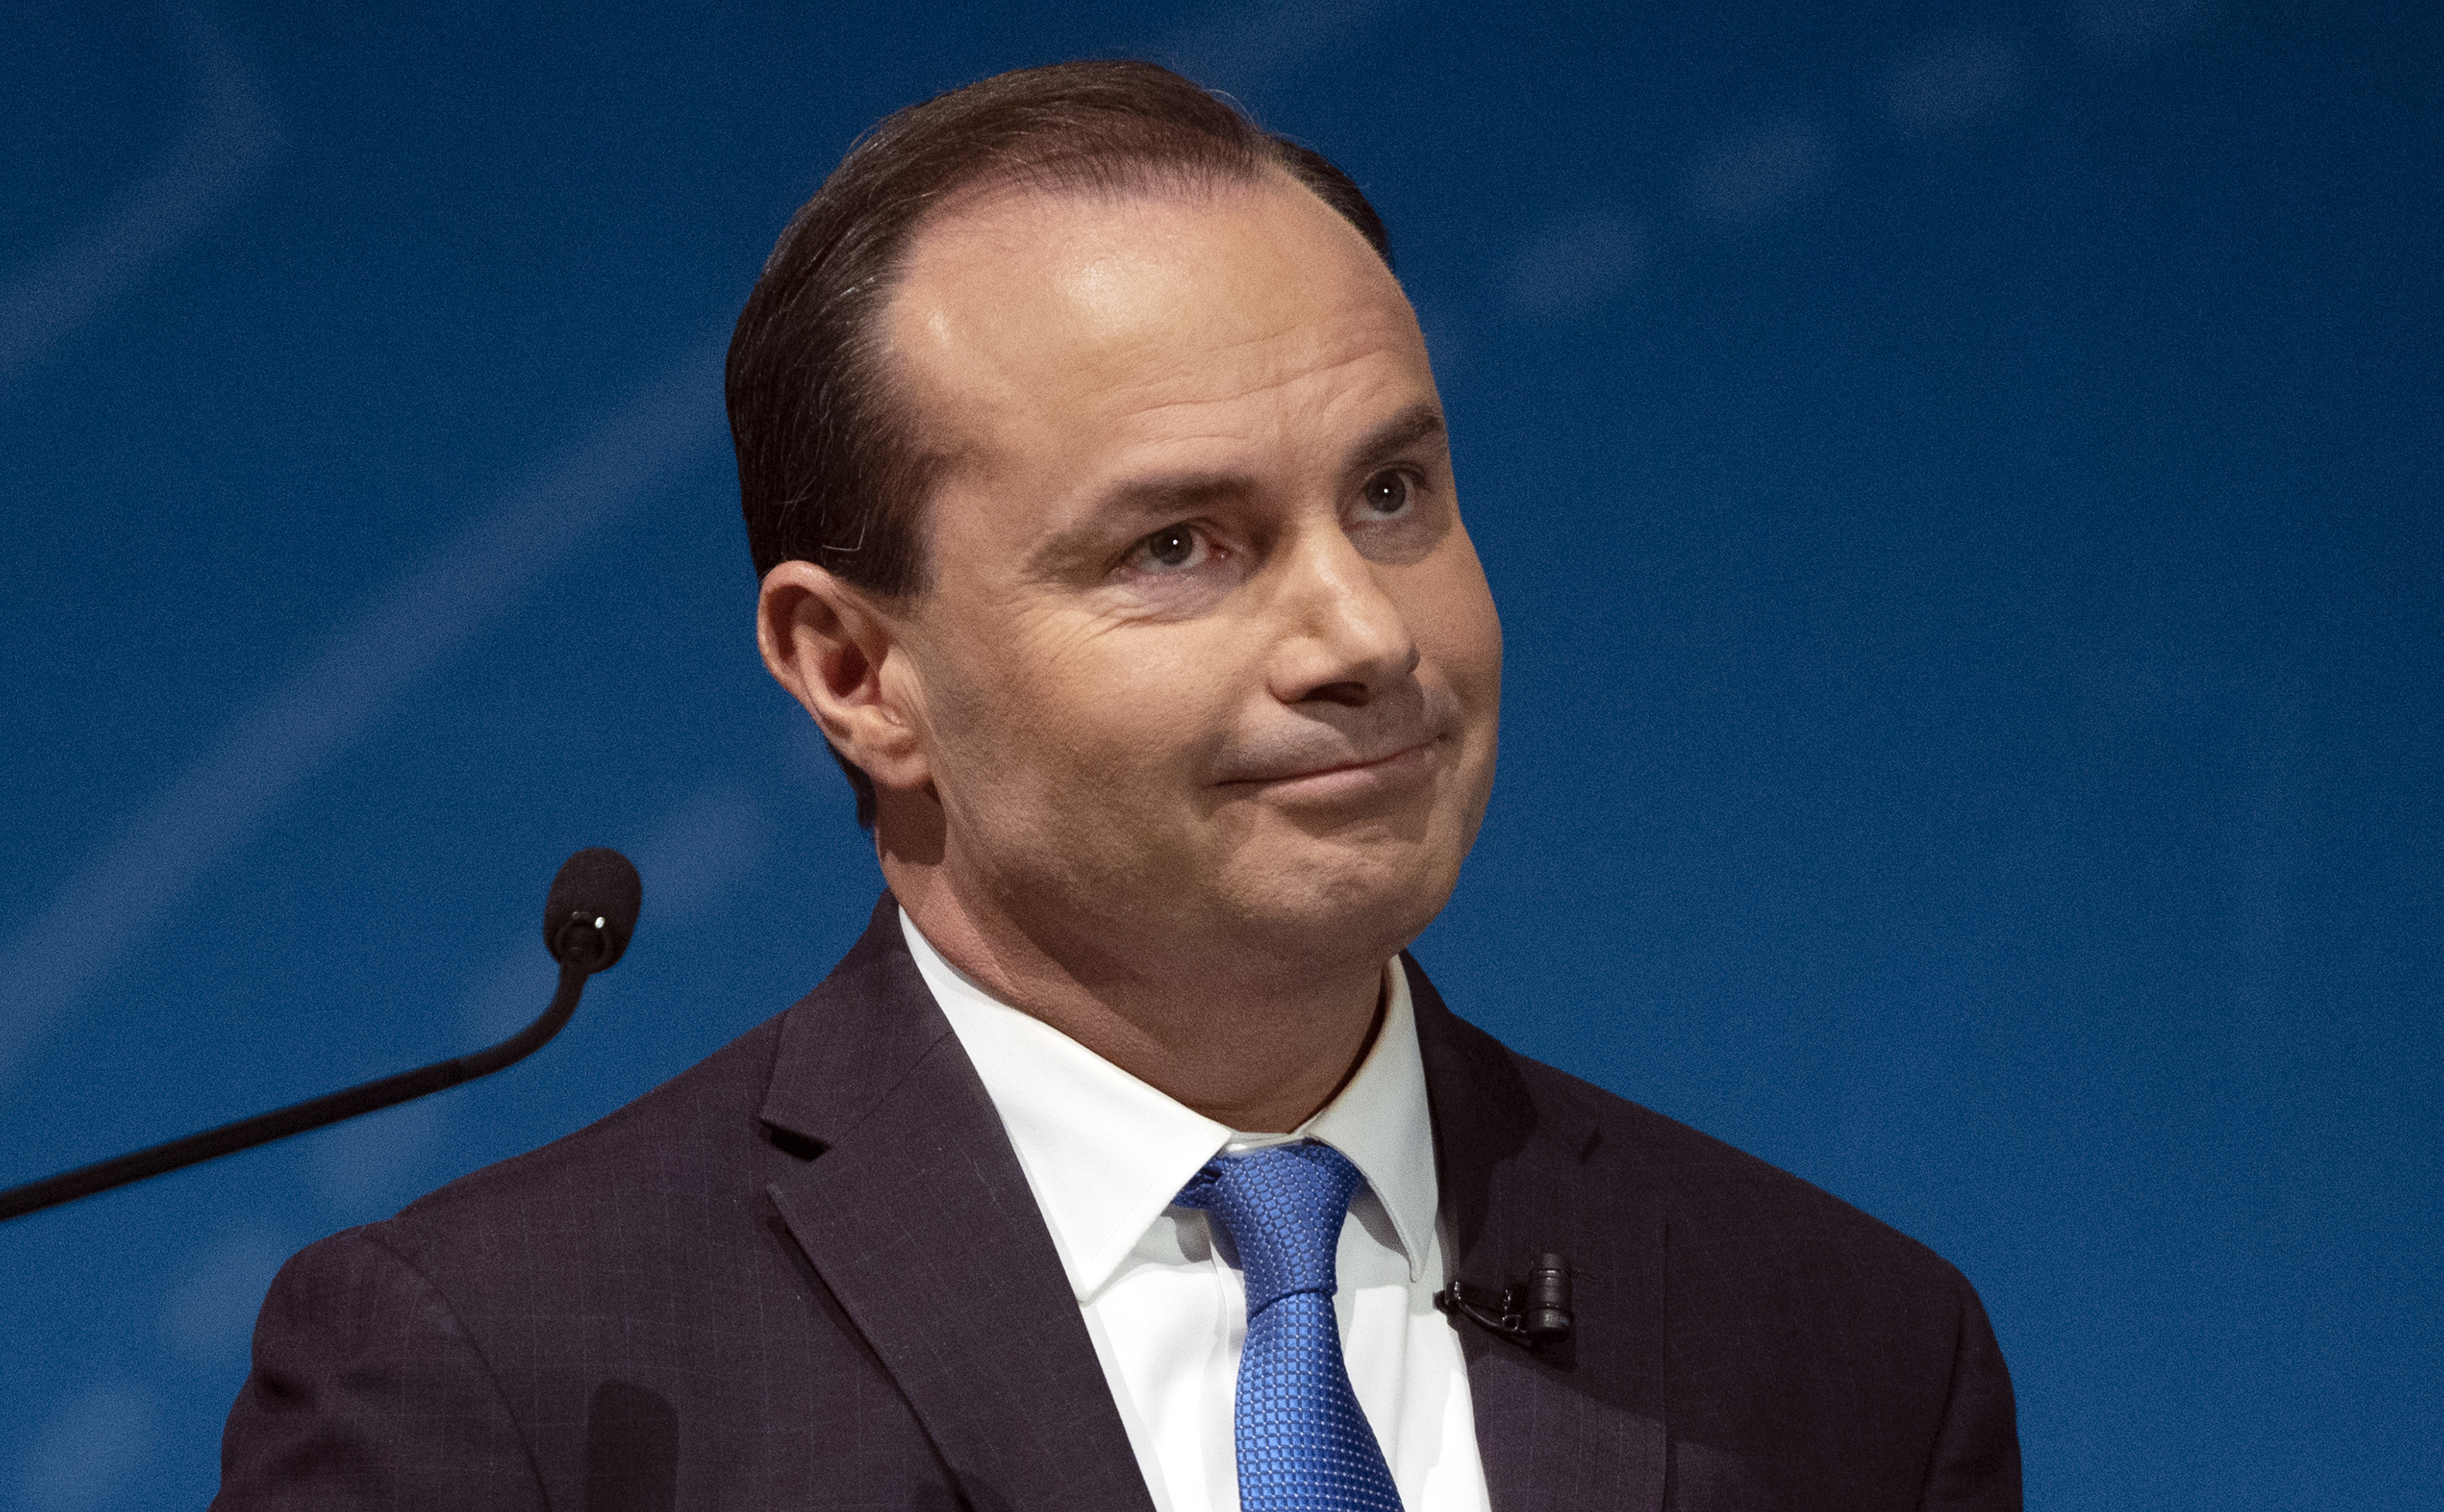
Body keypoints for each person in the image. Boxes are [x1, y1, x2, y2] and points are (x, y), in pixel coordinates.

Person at [214, 60, 2020, 1510]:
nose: (1359, 633)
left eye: (1392, 496)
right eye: (1178, 543)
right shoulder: (516, 1375)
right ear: (858, 673)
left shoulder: (1849, 1351)